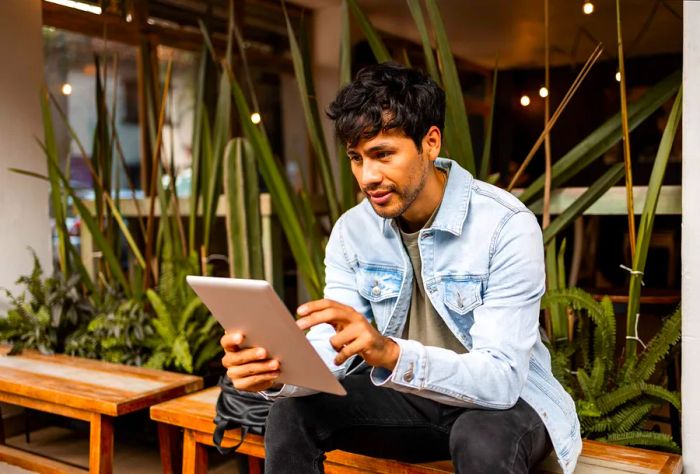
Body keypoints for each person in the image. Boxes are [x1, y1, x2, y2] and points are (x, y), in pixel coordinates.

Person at [220, 62, 581, 474]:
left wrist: (389, 353)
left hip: (508, 403)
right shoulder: (352, 231)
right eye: (356, 158)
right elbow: (331, 347)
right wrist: (275, 372)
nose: (367, 176)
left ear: (431, 142)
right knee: (290, 413)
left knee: (479, 439)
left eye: (383, 154)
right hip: (412, 394)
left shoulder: (504, 225)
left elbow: (500, 380)